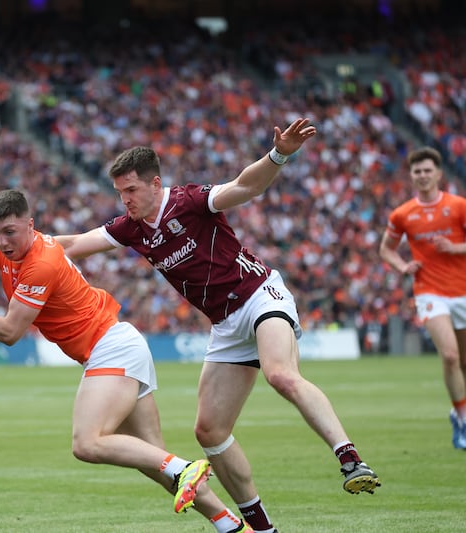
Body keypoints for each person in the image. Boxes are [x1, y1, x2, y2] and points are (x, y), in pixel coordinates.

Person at [53, 118, 380, 533]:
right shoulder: (131, 228)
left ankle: (349, 457)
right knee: (209, 430)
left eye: (131, 190)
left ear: (156, 183)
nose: (125, 201)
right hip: (225, 324)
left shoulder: (188, 201)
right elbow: (72, 245)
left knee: (280, 374)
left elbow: (245, 187)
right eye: (120, 193)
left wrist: (279, 154)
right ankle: (261, 528)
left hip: (260, 294)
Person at [0, 189, 254, 533]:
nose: (2, 242)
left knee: (87, 443)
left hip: (110, 348)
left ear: (30, 226)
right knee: (154, 459)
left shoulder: (41, 262)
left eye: (10, 232)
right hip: (115, 344)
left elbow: (9, 331)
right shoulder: (4, 249)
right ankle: (231, 525)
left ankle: (185, 468)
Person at [379, 146, 466, 449]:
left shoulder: (458, 206)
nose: (423, 175)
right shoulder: (403, 214)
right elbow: (385, 249)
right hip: (430, 291)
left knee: (464, 361)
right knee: (451, 355)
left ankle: (457, 414)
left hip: (463, 290)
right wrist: (403, 265)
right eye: (417, 171)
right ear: (412, 176)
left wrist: (456, 248)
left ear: (439, 174)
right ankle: (463, 419)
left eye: (428, 170)